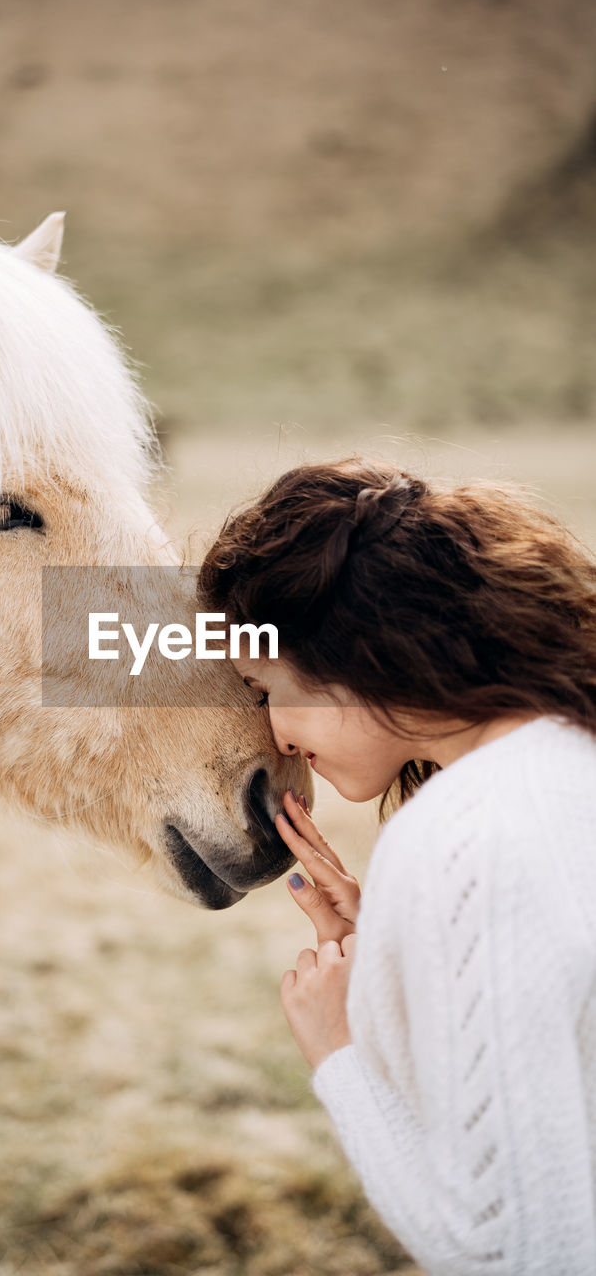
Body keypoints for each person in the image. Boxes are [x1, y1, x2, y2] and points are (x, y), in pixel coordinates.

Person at [198, 457, 596, 1275]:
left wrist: (339, 1049)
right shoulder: (567, 758)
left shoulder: (466, 833)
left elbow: (508, 1249)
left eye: (263, 687)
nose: (273, 736)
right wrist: (404, 949)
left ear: (353, 653)